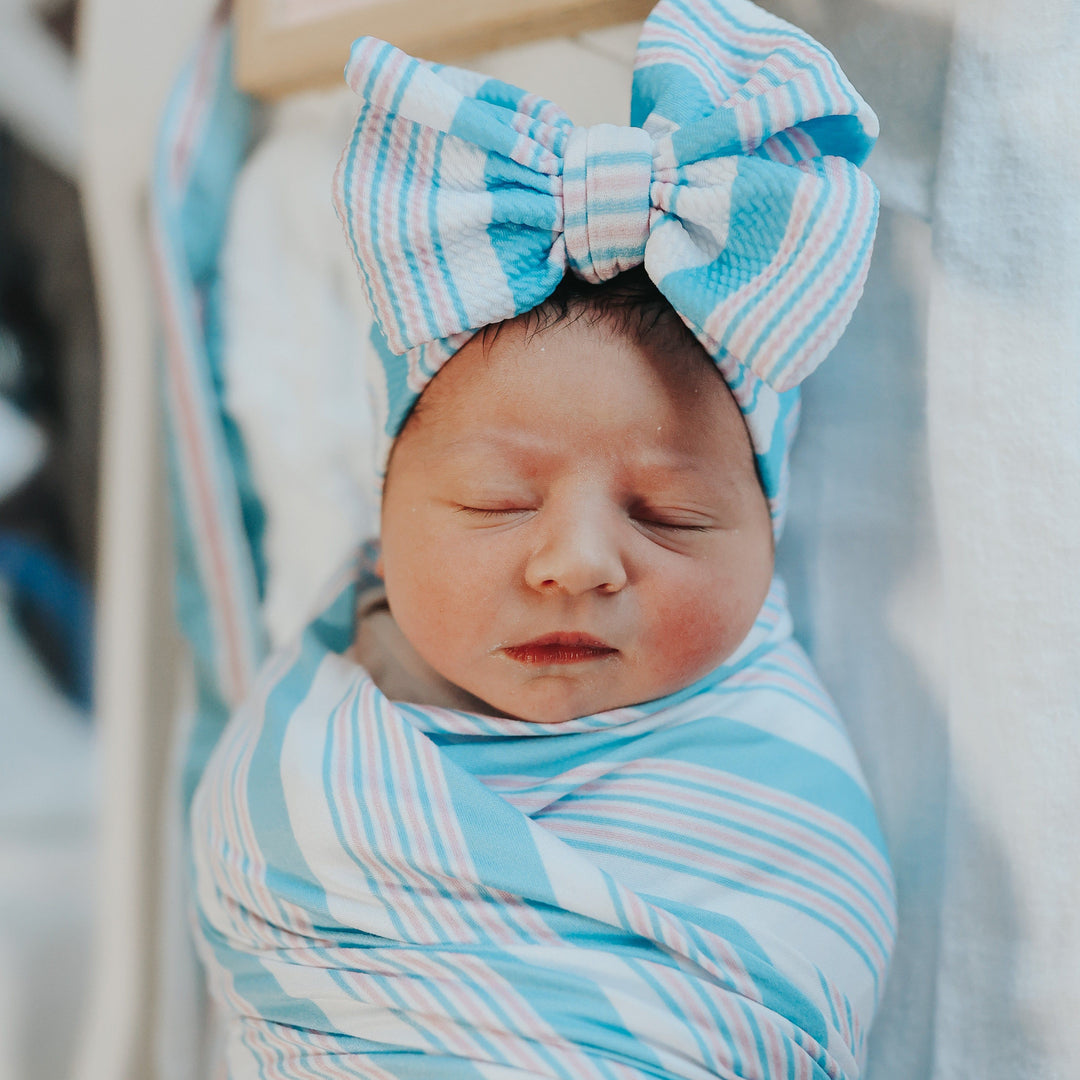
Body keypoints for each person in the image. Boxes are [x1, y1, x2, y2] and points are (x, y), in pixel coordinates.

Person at [190, 1, 896, 1076]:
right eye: (493, 501)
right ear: (384, 511)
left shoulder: (779, 809)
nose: (576, 562)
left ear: (767, 532)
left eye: (669, 516)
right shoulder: (314, 762)